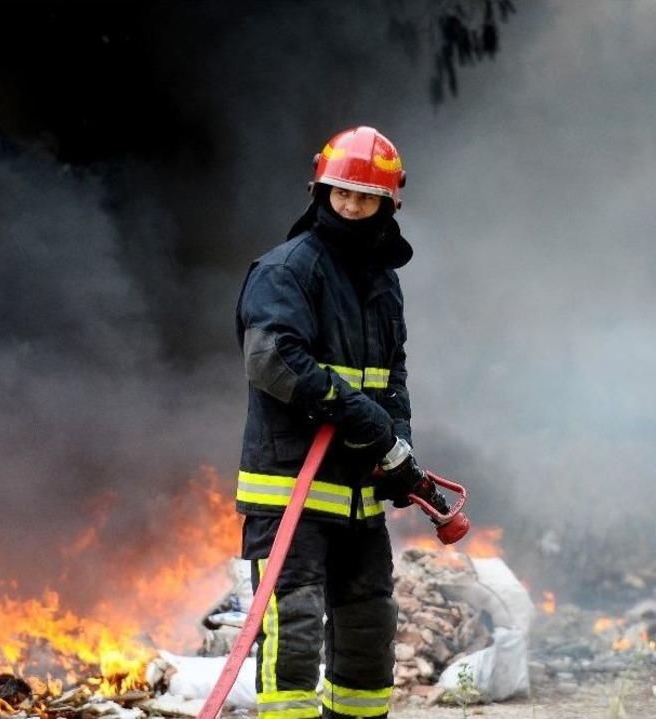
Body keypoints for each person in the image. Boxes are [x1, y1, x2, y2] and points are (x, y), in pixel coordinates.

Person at [235, 126, 428, 719]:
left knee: (369, 628)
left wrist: (398, 449)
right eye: (340, 193)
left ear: (387, 204)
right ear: (320, 191)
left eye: (363, 197)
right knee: (293, 630)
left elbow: (390, 377)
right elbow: (273, 359)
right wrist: (360, 417)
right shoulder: (287, 269)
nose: (350, 205)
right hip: (291, 487)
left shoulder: (382, 282)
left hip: (360, 496)